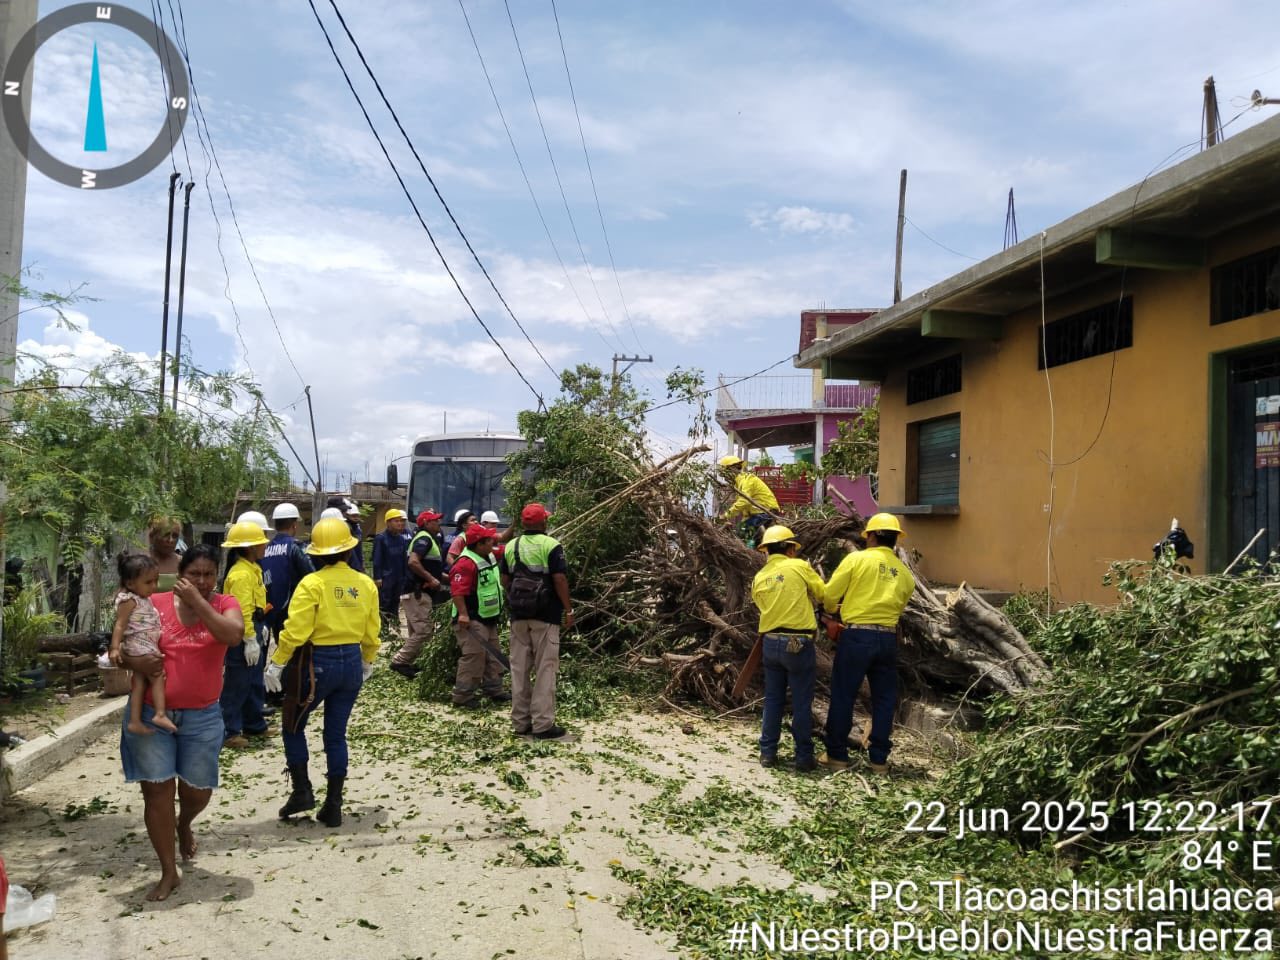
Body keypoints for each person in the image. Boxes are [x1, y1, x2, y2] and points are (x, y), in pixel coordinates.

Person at [114, 543, 245, 901]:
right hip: (150, 714)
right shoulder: (151, 602)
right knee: (157, 791)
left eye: (208, 574)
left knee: (197, 791)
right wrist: (134, 662)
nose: (201, 581)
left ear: (217, 576)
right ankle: (168, 871)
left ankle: (183, 822)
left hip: (202, 716)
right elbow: (122, 646)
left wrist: (199, 602)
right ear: (179, 574)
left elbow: (233, 636)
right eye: (193, 574)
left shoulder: (225, 604)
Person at [265, 516, 380, 828]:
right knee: (335, 734)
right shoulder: (365, 584)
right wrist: (367, 660)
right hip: (351, 662)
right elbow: (372, 630)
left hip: (317, 663)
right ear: (348, 550)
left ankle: (302, 791)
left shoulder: (311, 584)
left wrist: (277, 662)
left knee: (292, 725)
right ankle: (334, 804)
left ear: (315, 553)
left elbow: (296, 630)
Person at [819, 513, 916, 775]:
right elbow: (901, 606)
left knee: (844, 694)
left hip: (856, 636)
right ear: (895, 539)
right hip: (887, 638)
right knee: (884, 699)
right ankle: (879, 761)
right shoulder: (904, 574)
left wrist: (831, 611)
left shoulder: (856, 560)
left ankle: (837, 755)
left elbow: (830, 595)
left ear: (871, 536)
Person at [750, 525, 825, 771]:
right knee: (801, 701)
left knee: (773, 699)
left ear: (766, 551)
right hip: (798, 642)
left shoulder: (760, 576)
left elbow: (761, 604)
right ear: (790, 549)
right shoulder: (799, 567)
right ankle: (803, 757)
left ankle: (767, 753)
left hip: (771, 642)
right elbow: (822, 594)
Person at [500, 503, 573, 739]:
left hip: (518, 616)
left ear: (523, 523)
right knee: (545, 669)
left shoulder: (511, 545)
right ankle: (543, 724)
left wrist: (518, 599)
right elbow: (559, 579)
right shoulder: (551, 545)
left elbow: (504, 580)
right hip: (546, 615)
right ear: (543, 522)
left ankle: (520, 722)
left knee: (519, 669)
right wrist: (568, 609)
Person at [219, 520, 272, 749]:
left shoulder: (252, 569)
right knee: (237, 684)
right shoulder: (241, 574)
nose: (265, 546)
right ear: (250, 547)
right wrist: (249, 639)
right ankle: (229, 731)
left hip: (254, 628)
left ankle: (254, 724)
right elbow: (241, 610)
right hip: (243, 634)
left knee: (253, 681)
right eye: (261, 543)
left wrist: (261, 627)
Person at [110, 552, 177, 736]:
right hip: (139, 644)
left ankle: (134, 721)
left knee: (139, 682)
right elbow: (120, 624)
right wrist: (114, 648)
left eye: (155, 581)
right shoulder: (129, 600)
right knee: (157, 674)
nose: (154, 586)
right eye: (148, 582)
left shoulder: (142, 599)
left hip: (145, 643)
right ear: (131, 583)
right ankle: (160, 713)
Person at [449, 524, 509, 708]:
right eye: (489, 540)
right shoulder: (465, 563)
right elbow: (457, 591)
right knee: (474, 656)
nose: (493, 542)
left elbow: (508, 546)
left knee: (493, 655)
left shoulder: (488, 554)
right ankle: (463, 696)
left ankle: (494, 689)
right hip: (472, 618)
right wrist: (463, 614)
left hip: (488, 617)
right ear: (479, 544)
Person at [391, 510, 447, 679]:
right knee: (424, 630)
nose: (439, 523)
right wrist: (431, 579)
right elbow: (413, 562)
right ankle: (400, 661)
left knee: (417, 630)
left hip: (418, 592)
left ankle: (415, 664)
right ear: (426, 523)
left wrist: (449, 579)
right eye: (435, 521)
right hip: (417, 592)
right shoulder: (424, 539)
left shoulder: (430, 539)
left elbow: (432, 568)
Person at [261, 502, 315, 651]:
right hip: (293, 611)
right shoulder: (295, 547)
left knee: (282, 648)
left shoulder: (265, 549)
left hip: (271, 611)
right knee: (295, 654)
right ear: (294, 525)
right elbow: (312, 577)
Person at [718, 455, 779, 544]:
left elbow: (744, 501)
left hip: (766, 513)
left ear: (731, 470)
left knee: (742, 536)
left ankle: (754, 547)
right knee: (742, 532)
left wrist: (726, 515)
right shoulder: (740, 483)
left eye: (724, 475)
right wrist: (742, 523)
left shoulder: (747, 480)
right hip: (760, 514)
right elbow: (746, 508)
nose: (725, 478)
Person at [372, 508, 411, 629]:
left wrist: (405, 577)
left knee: (395, 603)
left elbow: (404, 560)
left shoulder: (401, 539)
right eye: (396, 521)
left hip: (398, 577)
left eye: (401, 521)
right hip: (386, 578)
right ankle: (383, 629)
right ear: (388, 523)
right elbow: (377, 559)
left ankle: (393, 628)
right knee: (384, 604)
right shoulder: (381, 538)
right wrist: (378, 577)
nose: (400, 523)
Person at [148, 515, 183, 592]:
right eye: (165, 534)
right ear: (152, 536)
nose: (171, 540)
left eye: (175, 536)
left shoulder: (183, 563)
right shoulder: (140, 563)